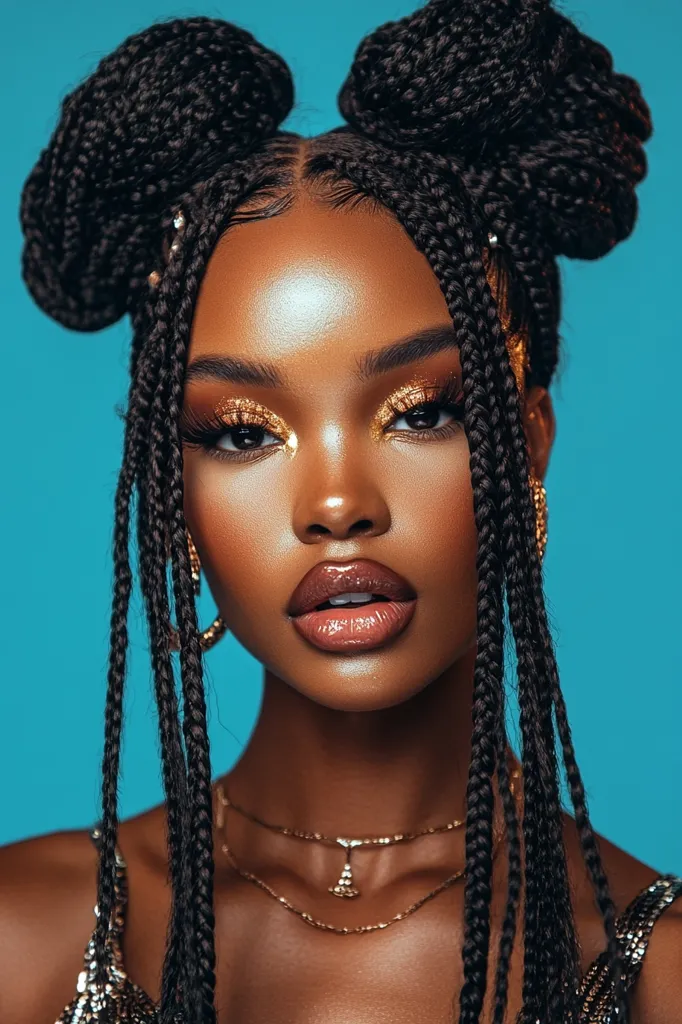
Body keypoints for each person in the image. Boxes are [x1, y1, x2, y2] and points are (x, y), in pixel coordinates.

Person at [1, 2, 680, 1022]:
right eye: (239, 431)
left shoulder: (652, 968)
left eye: (419, 413)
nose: (335, 507)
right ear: (168, 483)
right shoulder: (29, 936)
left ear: (524, 442)